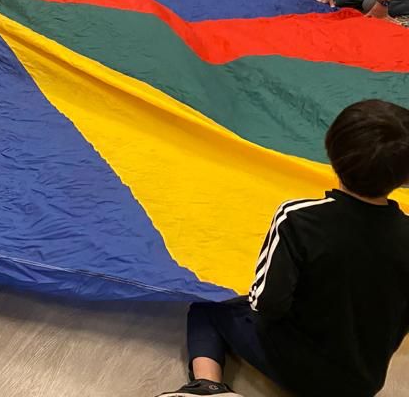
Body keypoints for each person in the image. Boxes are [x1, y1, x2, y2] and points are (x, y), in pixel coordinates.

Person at [157, 99, 409, 397]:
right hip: (363, 381)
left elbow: (267, 304)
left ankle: (207, 386)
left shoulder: (298, 219)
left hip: (300, 368)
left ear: (332, 152)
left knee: (207, 310)